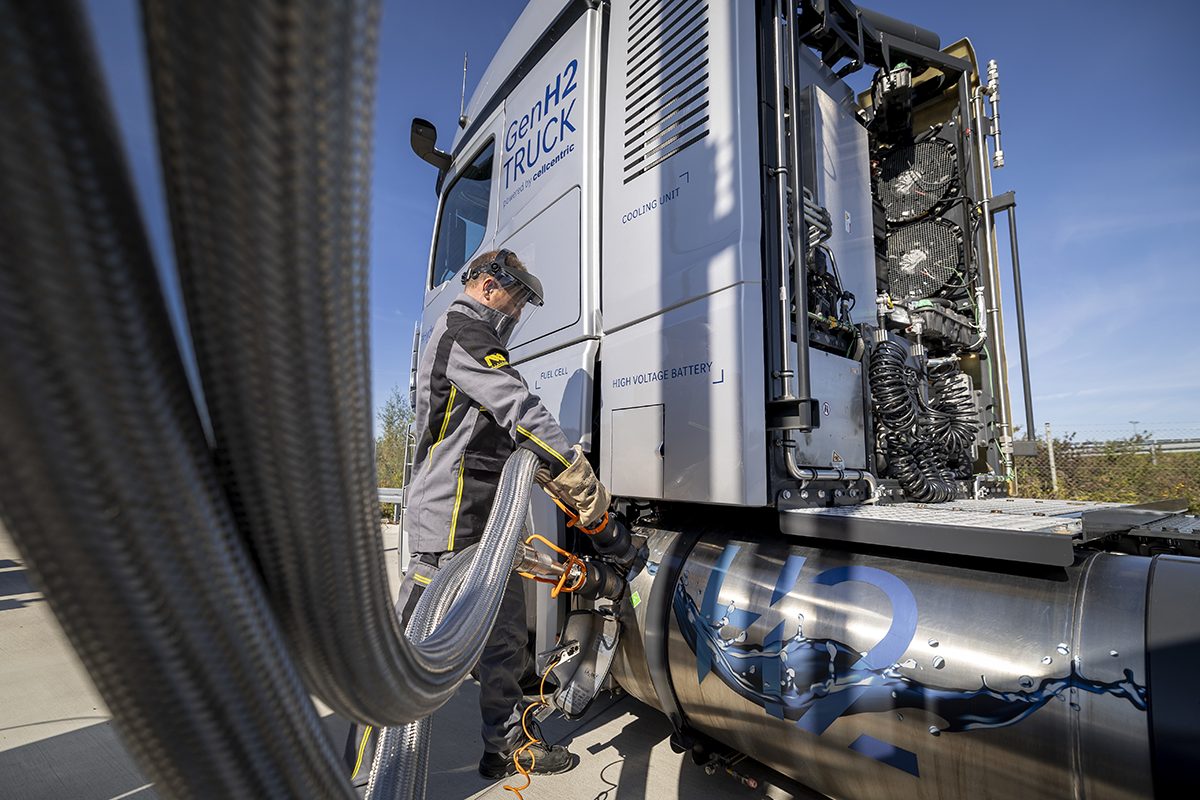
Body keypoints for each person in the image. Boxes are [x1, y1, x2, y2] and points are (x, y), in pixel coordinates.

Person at [400, 248, 609, 779]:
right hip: (449, 522)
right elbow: (520, 408)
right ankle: (361, 774)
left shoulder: (481, 337)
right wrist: (579, 479)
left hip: (490, 525)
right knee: (408, 656)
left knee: (508, 640)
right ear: (488, 285)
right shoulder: (461, 330)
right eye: (515, 300)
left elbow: (500, 435)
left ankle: (507, 746)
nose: (516, 313)